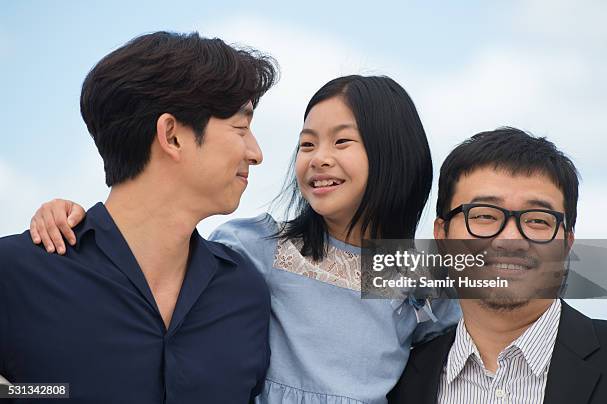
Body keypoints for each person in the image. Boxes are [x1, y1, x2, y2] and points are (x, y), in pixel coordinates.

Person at [26, 75, 461, 403]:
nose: (319, 159)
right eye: (307, 145)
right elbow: (156, 255)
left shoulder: (411, 271)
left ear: (394, 155)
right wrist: (72, 214)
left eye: (342, 141)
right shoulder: (262, 246)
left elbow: (511, 300)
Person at [0, 31, 278, 403]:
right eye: (241, 128)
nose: (256, 153)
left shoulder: (247, 288)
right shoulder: (15, 275)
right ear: (172, 136)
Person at [388, 128, 607, 404]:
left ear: (567, 243)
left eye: (538, 220)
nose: (510, 239)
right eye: (484, 216)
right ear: (442, 236)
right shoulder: (397, 382)